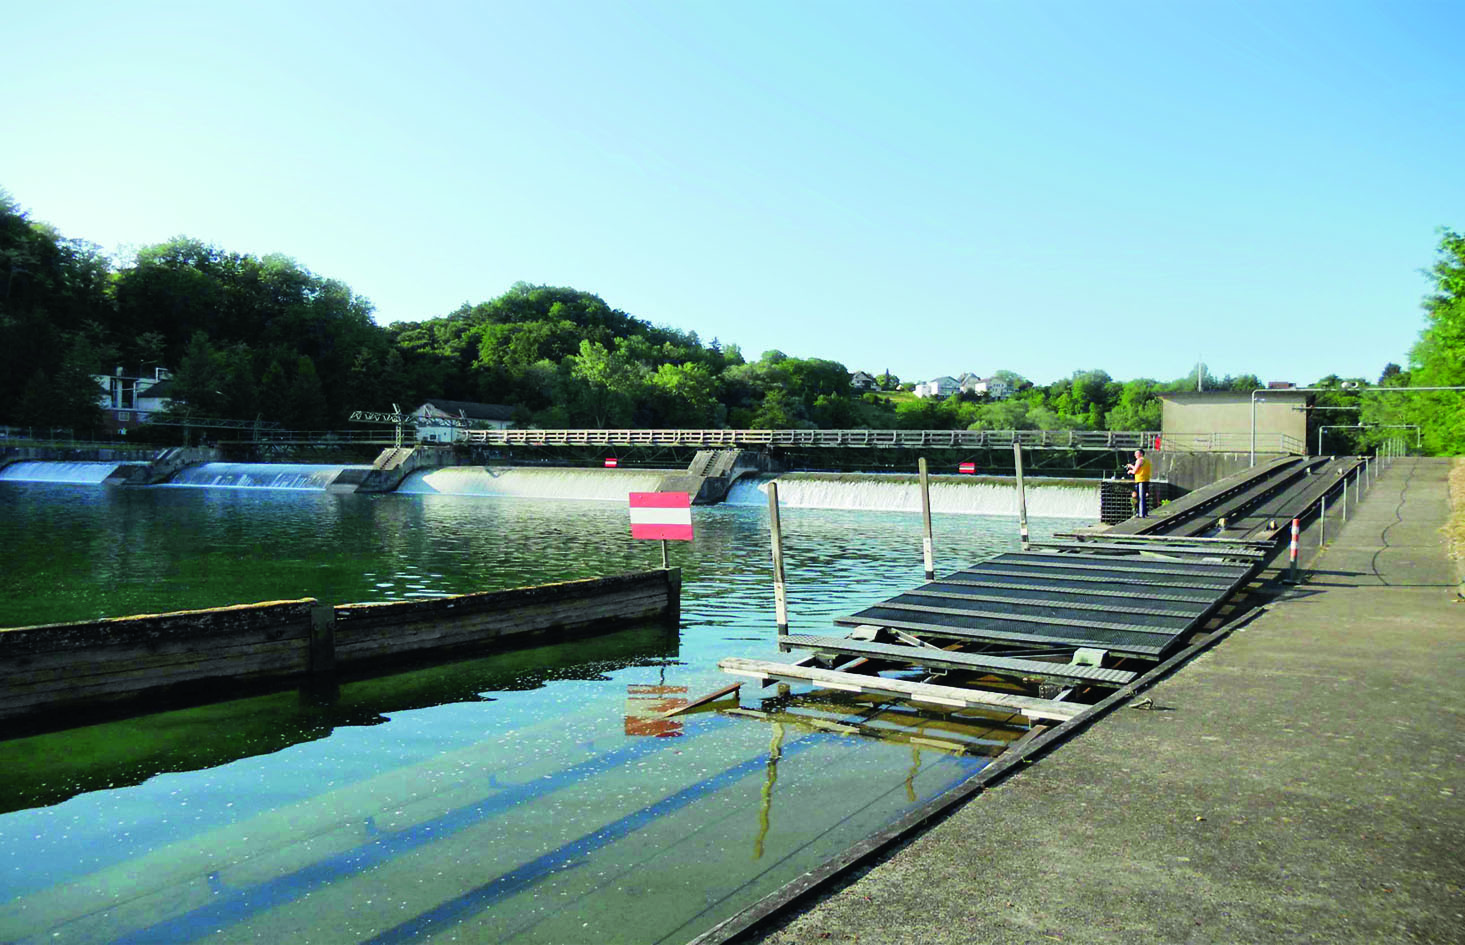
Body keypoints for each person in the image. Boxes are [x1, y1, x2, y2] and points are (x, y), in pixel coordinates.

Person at [1126, 448, 1153, 517]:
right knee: (1143, 496)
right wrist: (1131, 466)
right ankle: (1145, 512)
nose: (1135, 455)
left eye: (1136, 453)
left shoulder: (1139, 460)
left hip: (1141, 480)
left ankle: (1141, 513)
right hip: (1146, 480)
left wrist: (1130, 471)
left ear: (1141, 454)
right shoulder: (1146, 460)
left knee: (1140, 497)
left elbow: (1135, 471)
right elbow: (1139, 468)